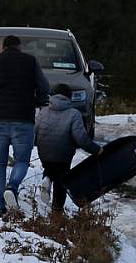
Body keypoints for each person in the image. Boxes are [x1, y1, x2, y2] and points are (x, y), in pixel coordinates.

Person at [0, 35, 50, 216]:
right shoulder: (30, 61)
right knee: (22, 161)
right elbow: (44, 87)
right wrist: (39, 101)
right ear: (19, 47)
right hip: (23, 119)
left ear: (3, 47)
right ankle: (13, 187)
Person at [35, 83, 102, 213]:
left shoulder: (43, 111)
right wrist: (96, 150)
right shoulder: (74, 114)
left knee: (49, 168)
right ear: (69, 97)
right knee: (61, 180)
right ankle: (57, 210)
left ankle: (47, 178)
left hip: (44, 151)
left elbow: (35, 131)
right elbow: (81, 139)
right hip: (63, 155)